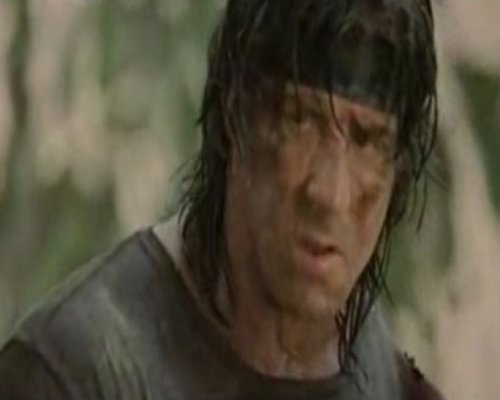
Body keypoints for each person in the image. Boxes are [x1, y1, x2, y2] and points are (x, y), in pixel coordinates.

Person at [0, 0, 445, 399]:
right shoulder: (72, 372)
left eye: (367, 139)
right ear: (237, 111)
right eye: (300, 119)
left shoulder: (387, 377)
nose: (330, 193)